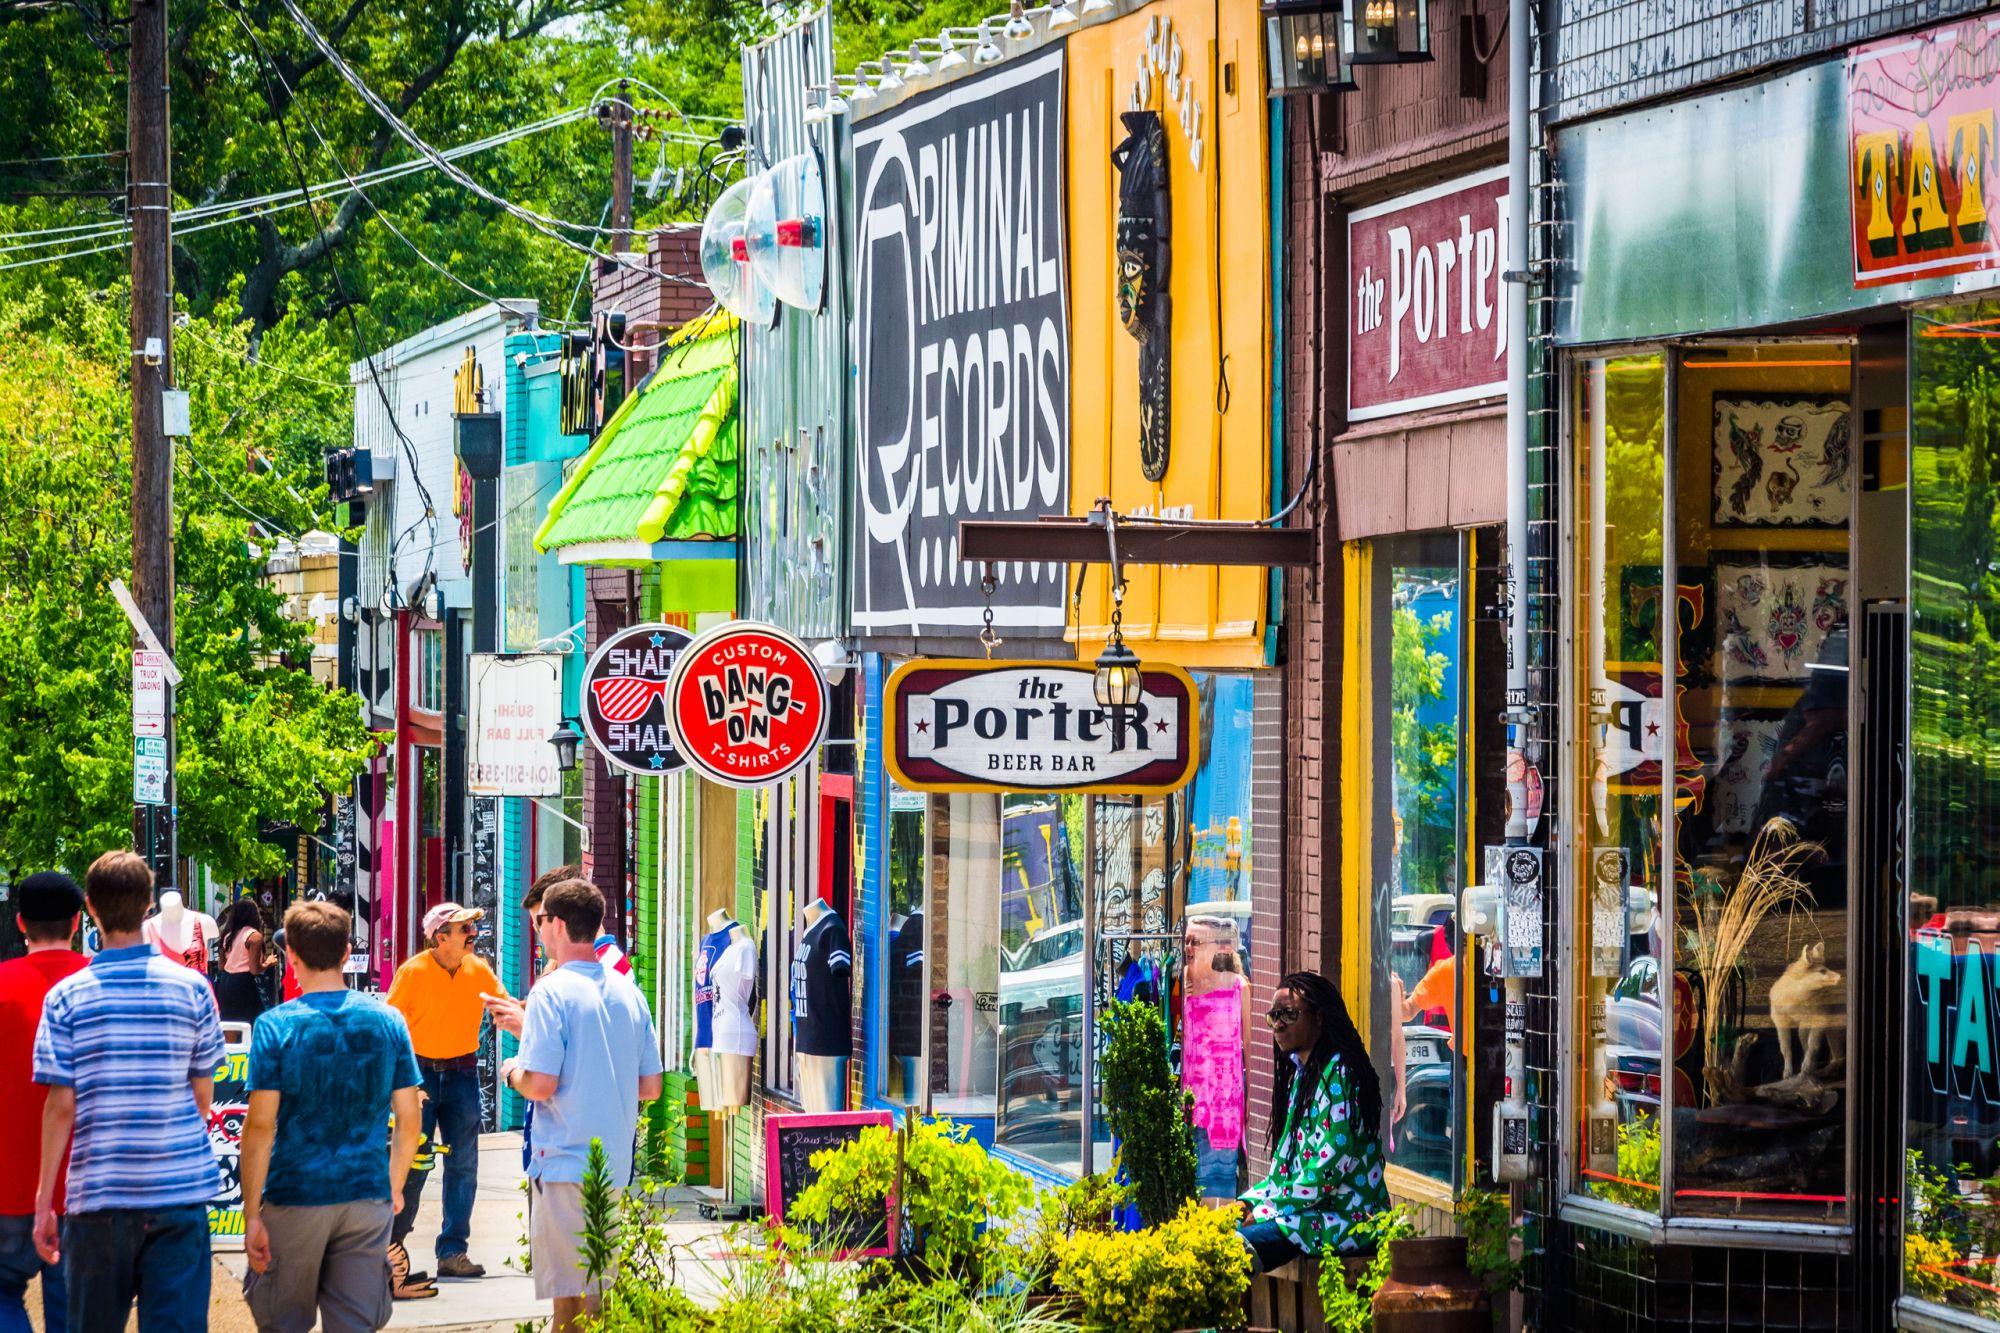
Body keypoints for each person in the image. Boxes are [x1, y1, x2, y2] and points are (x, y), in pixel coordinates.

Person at [32, 850, 226, 1331]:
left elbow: (60, 1107)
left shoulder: (66, 996)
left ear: (91, 908)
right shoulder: (193, 989)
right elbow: (204, 1095)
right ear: (147, 906)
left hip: (99, 1195)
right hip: (178, 1191)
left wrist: (43, 1202)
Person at [240, 901, 422, 1333]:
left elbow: (260, 1127)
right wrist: (393, 1186)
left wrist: (251, 1213)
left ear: (292, 956)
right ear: (346, 952)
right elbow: (409, 1117)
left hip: (296, 1193)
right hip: (366, 1193)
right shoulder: (388, 1020)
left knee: (282, 1321)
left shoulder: (275, 1026)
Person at [500, 878, 661, 1333]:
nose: (539, 929)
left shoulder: (551, 992)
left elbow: (540, 1082)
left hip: (563, 1159)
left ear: (561, 924)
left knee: (571, 1301)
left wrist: (511, 1071)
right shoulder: (629, 992)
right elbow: (650, 1086)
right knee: (595, 1291)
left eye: (543, 920)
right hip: (612, 1163)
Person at [1238, 970, 1389, 1274]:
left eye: (1289, 1014)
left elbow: (1324, 1174)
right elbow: (1284, 1170)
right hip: (1309, 1214)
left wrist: (1266, 1210)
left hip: (1351, 1219)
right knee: (1215, 1232)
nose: (1278, 1023)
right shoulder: (1304, 1077)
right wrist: (1249, 1203)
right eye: (1274, 1016)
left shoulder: (1343, 1076)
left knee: (1234, 1252)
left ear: (1319, 1017)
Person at [384, 902, 505, 1279]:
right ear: (441, 937)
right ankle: (392, 1249)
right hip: (418, 1074)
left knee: (464, 1164)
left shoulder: (477, 969)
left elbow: (502, 1007)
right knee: (412, 1161)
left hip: (463, 1071)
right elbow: (389, 1025)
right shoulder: (413, 971)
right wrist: (399, 1081)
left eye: (471, 926)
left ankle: (453, 1251)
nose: (473, 933)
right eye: (465, 928)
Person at [0, 874, 86, 1333]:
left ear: (20, 923)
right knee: (74, 1313)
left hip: (6, 1184)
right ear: (77, 921)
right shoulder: (96, 985)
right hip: (84, 1188)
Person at [1181, 915, 1250, 1203]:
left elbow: (1251, 1050)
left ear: (1217, 947)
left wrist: (1249, 1102)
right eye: (1186, 940)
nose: (1188, 947)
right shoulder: (1184, 981)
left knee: (1219, 1189)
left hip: (1224, 1106)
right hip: (1193, 1104)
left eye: (1194, 941)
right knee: (1194, 1189)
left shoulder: (1239, 989)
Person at [216, 898, 271, 1024]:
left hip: (226, 983)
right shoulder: (254, 936)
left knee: (230, 1025)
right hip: (244, 984)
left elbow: (221, 965)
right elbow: (255, 969)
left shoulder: (228, 935)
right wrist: (268, 963)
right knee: (251, 1024)